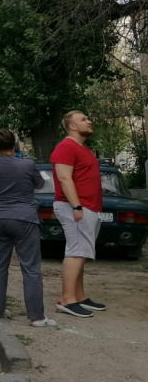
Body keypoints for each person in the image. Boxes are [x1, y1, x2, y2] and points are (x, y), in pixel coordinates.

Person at [0, 129, 56, 327]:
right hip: (24, 219)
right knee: (31, 267)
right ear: (15, 145)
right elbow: (39, 185)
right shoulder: (27, 164)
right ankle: (36, 317)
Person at [51, 110, 105, 318]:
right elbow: (64, 179)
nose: (89, 121)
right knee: (76, 251)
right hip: (75, 207)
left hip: (88, 207)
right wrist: (76, 206)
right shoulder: (65, 147)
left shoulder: (83, 149)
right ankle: (66, 299)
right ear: (72, 126)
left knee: (82, 252)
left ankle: (79, 296)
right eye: (83, 119)